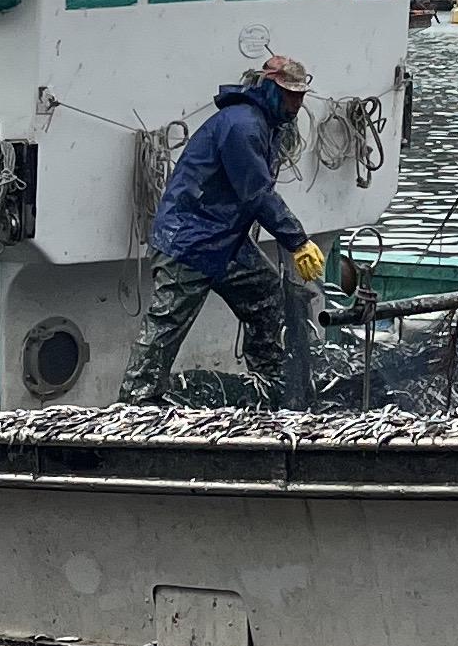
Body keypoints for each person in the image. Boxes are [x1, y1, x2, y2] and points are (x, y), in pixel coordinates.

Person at [120, 52, 326, 399]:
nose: (295, 104)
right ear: (269, 88)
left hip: (224, 238)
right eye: (290, 94)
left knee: (264, 293)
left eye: (300, 96)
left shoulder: (266, 125)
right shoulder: (242, 125)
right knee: (165, 327)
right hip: (188, 240)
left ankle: (268, 381)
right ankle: (134, 404)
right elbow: (257, 192)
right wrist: (298, 241)